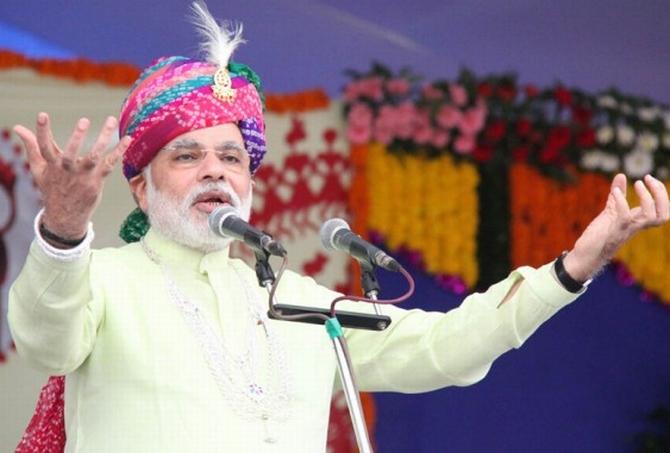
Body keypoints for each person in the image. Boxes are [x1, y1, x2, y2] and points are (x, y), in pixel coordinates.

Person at [8, 3, 670, 452]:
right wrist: (64, 233)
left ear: (251, 179)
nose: (216, 171)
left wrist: (572, 267)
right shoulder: (103, 280)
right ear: (140, 186)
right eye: (188, 155)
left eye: (232, 157)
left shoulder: (297, 302)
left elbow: (447, 345)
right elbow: (46, 336)